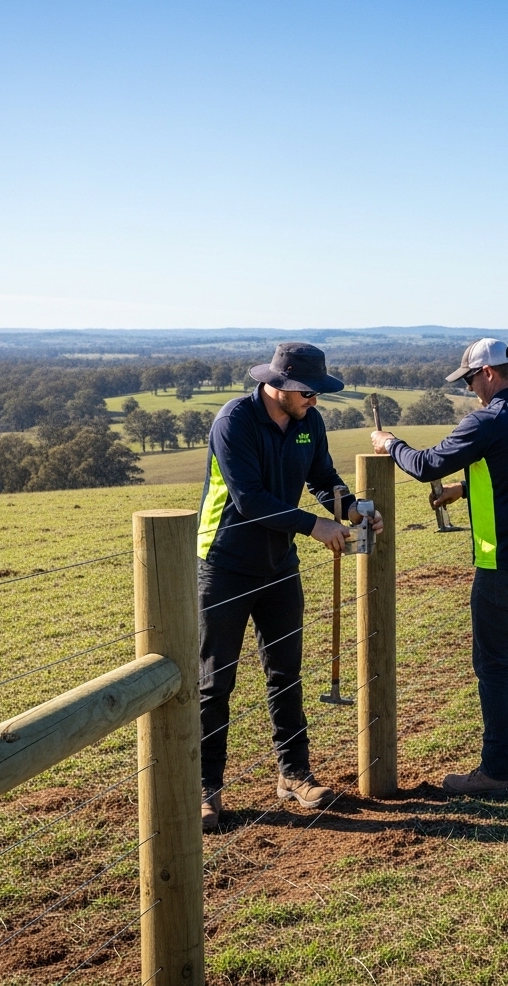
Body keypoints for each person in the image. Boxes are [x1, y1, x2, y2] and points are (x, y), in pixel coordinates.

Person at [371, 337, 508, 795]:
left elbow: (425, 465)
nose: (469, 390)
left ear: (487, 374)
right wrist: (462, 491)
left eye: (468, 380)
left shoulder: (488, 419)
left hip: (505, 566)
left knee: (493, 666)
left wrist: (390, 443)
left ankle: (497, 773)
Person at [198, 342, 382, 830]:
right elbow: (249, 498)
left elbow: (324, 480)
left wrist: (353, 510)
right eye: (307, 392)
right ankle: (205, 789)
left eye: (318, 393)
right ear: (276, 385)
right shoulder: (233, 422)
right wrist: (314, 527)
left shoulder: (309, 424)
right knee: (215, 681)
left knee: (286, 672)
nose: (314, 401)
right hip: (224, 565)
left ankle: (295, 775)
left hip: (279, 565)